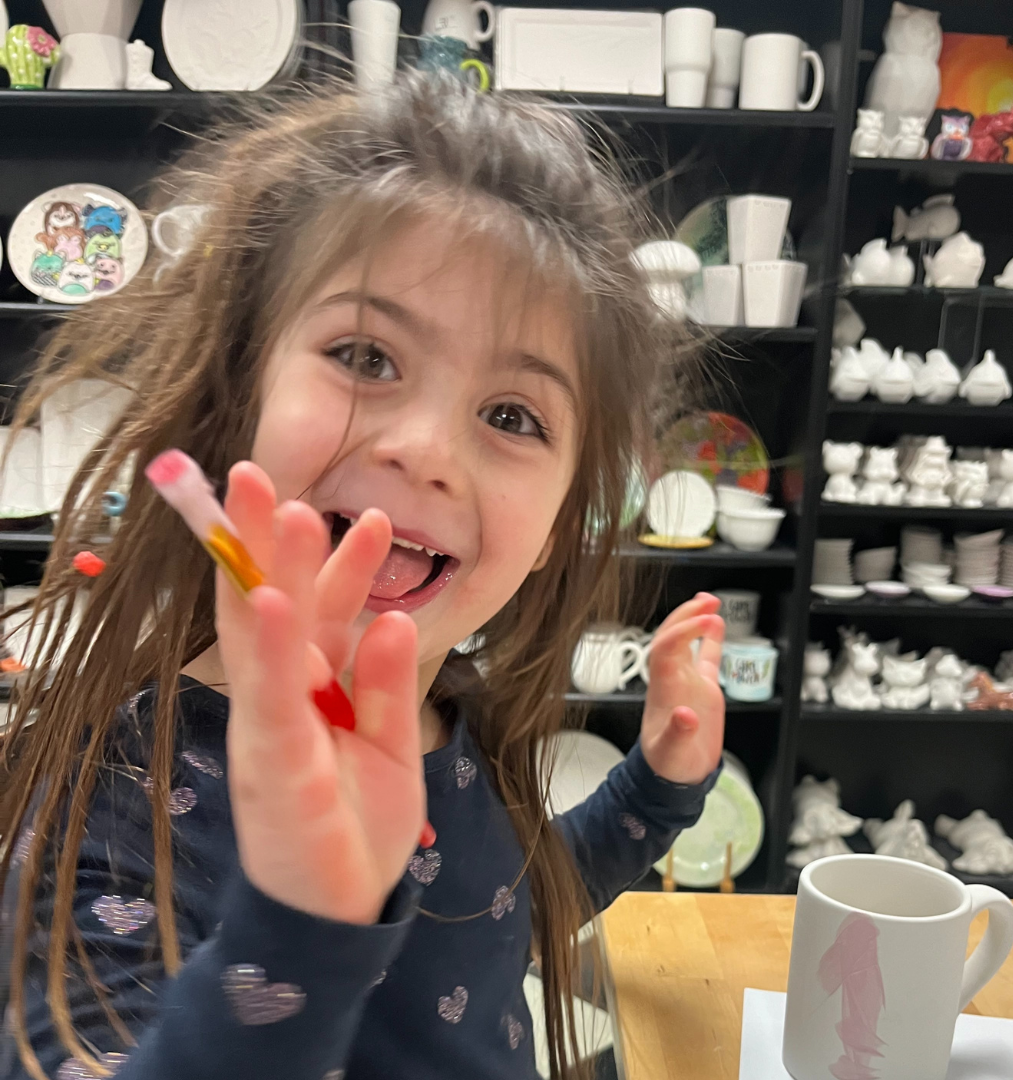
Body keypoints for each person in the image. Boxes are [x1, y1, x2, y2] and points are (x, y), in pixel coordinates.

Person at [0, 74, 725, 1080]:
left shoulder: (459, 720)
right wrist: (300, 926)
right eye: (364, 354)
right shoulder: (124, 792)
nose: (427, 449)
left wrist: (661, 785)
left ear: (563, 522)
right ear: (236, 396)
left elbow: (510, 904)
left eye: (514, 416)